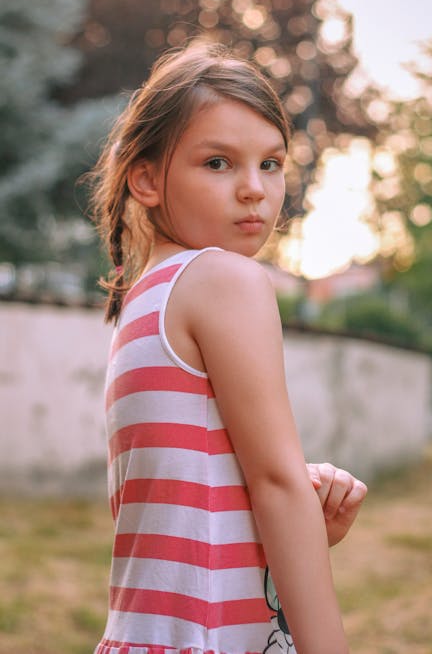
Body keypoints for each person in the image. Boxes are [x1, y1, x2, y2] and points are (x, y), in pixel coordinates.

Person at [90, 41, 367, 654]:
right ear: (145, 179)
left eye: (271, 163)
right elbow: (273, 482)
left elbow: (190, 517)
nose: (254, 189)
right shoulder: (223, 279)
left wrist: (303, 523)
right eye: (218, 163)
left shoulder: (146, 301)